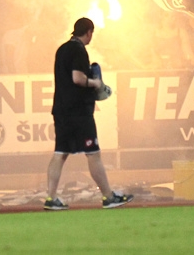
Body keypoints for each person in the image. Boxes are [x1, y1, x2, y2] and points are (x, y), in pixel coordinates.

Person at [44, 17, 133, 210]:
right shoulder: (78, 50)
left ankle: (51, 198)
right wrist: (96, 84)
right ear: (89, 32)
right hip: (79, 113)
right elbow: (77, 78)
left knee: (60, 153)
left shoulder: (62, 49)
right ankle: (108, 197)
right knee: (93, 154)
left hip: (61, 110)